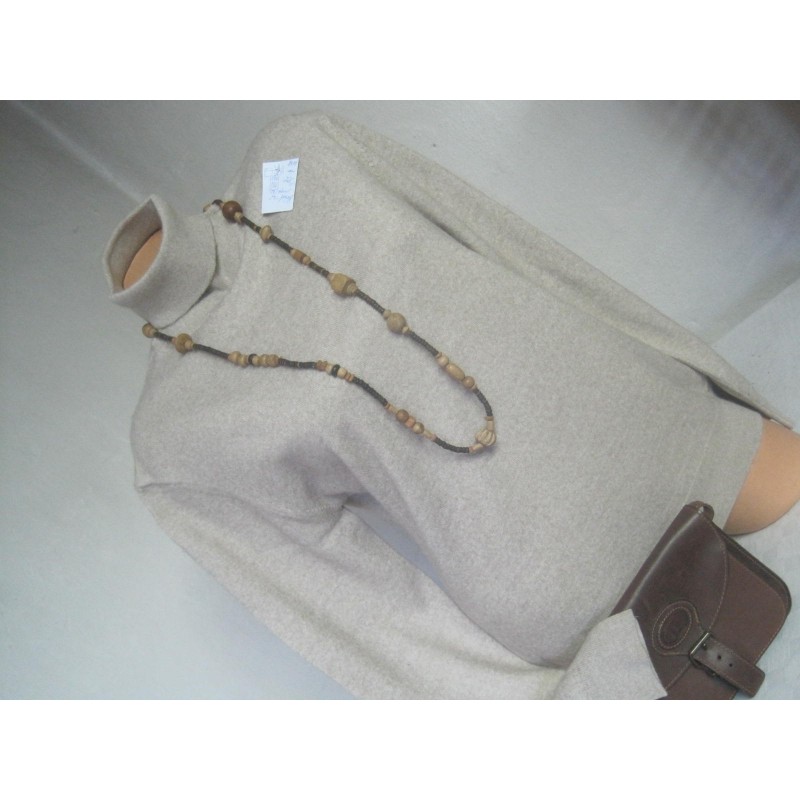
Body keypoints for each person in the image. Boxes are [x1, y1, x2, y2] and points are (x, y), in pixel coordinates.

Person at [104, 112, 800, 698]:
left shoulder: (297, 153)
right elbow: (362, 608)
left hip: (674, 427)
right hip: (578, 589)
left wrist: (693, 367)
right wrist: (544, 710)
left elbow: (520, 254)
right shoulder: (175, 437)